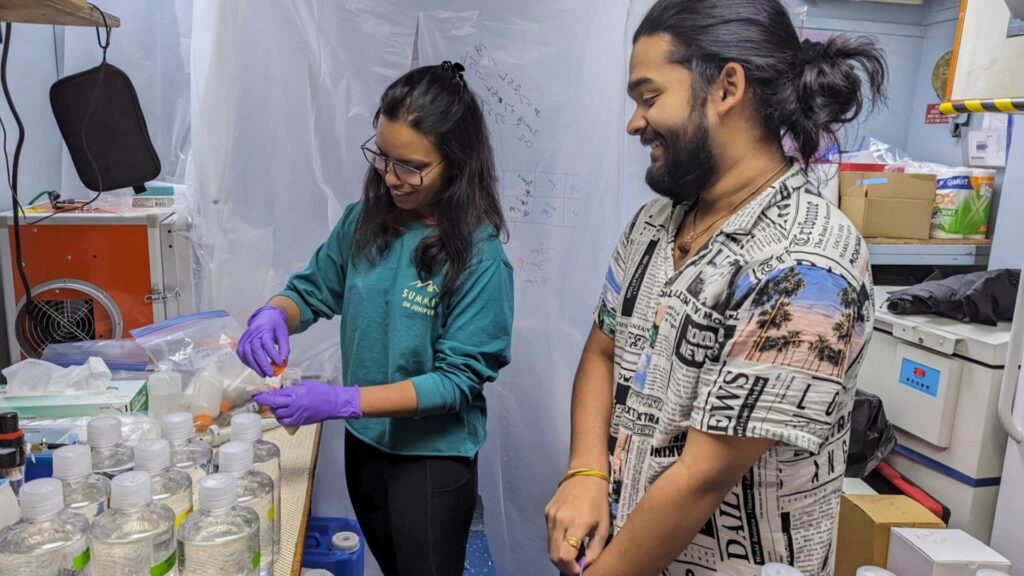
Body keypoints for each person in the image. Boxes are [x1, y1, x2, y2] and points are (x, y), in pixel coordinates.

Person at [544, 1, 885, 575]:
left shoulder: (809, 264)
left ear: (727, 87)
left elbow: (703, 477)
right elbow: (603, 348)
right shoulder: (655, 225)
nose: (634, 122)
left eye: (649, 97)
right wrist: (586, 471)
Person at [237, 61, 514, 576]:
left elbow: (456, 382)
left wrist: (343, 400)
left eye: (410, 165)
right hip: (366, 446)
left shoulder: (478, 256)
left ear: (456, 162)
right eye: (383, 156)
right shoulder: (365, 221)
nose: (390, 176)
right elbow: (313, 288)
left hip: (429, 461)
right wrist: (272, 314)